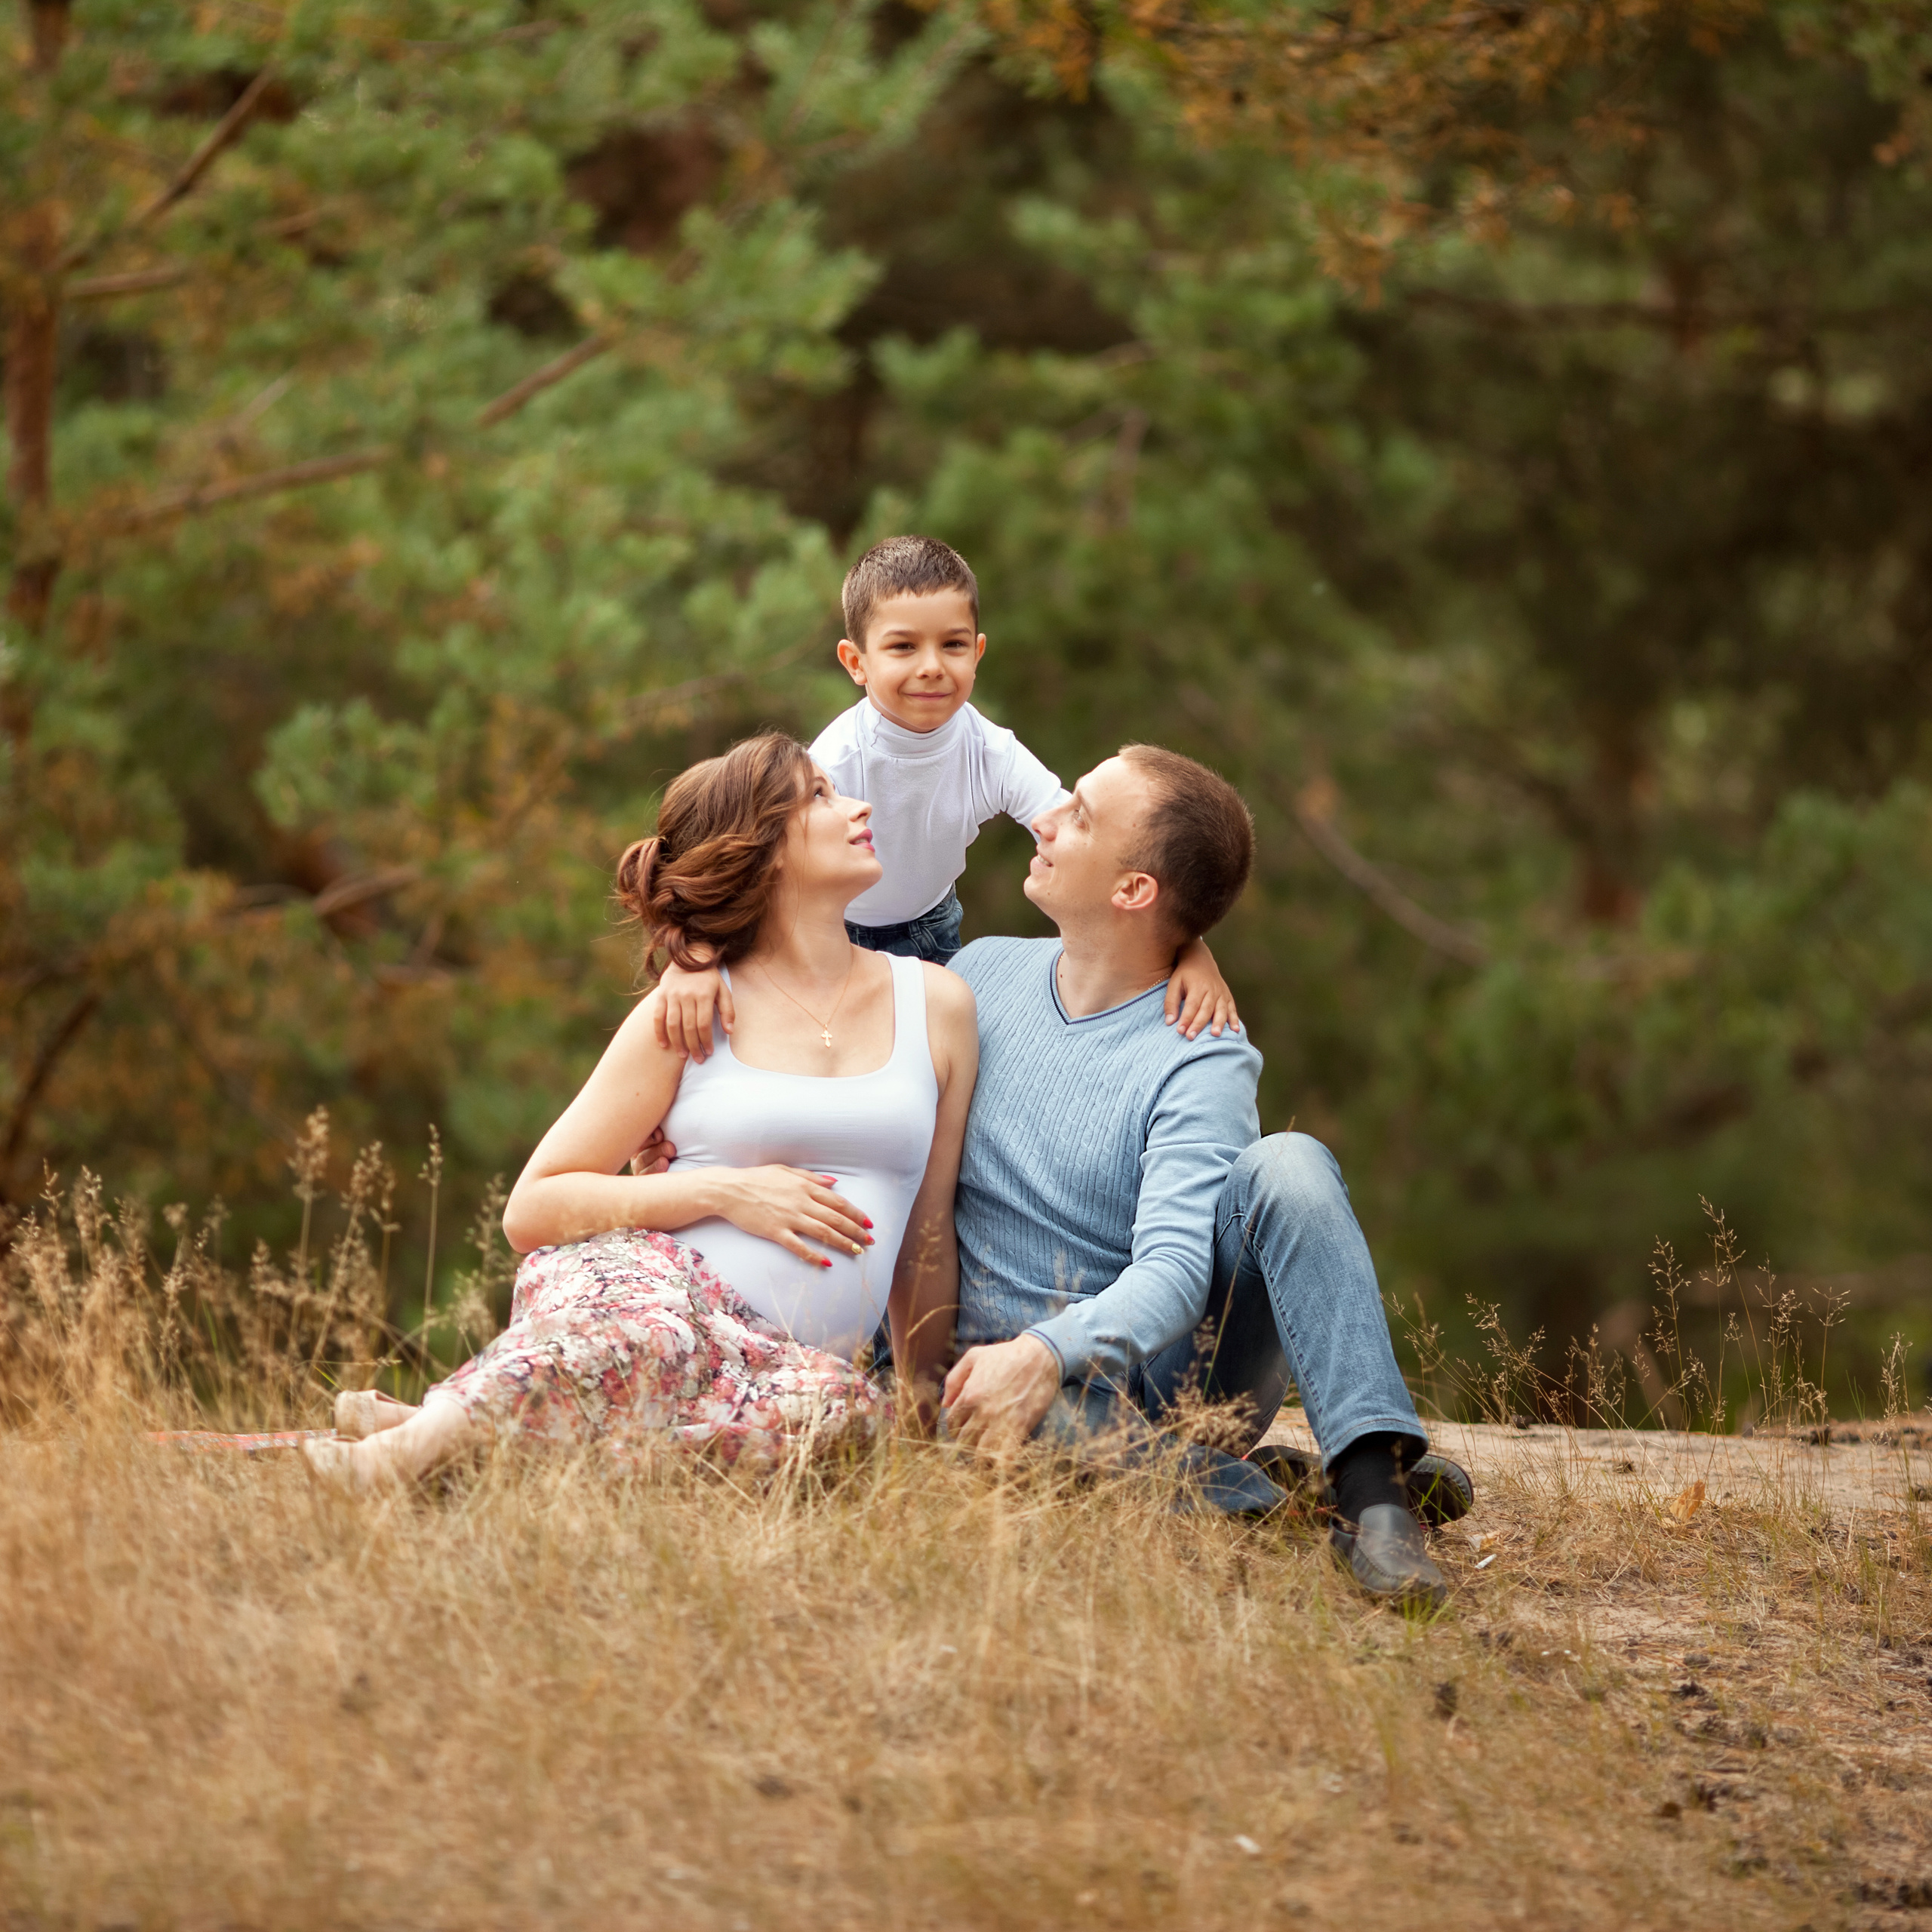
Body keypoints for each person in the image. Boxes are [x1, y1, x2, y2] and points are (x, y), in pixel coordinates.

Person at [303, 733, 977, 1492]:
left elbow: (926, 1230)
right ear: (764, 847)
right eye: (820, 795)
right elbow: (532, 1207)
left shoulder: (937, 1004)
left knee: (842, 1423)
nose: (858, 806)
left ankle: (453, 1426)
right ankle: (390, 1462)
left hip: (778, 1366)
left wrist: (924, 1421)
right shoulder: (690, 1010)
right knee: (655, 1338)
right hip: (648, 1287)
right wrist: (724, 1191)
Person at [936, 744, 1469, 1605]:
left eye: (1078, 814)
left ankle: (1375, 1497)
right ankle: (1275, 1492)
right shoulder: (976, 975)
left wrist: (1048, 1348)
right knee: (1007, 1418)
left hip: (1172, 1382)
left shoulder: (1201, 1053)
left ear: (1132, 890)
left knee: (1288, 1163)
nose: (1045, 818)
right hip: (1007, 1375)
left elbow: (1177, 1274)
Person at [649, 535, 1238, 1059]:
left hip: (932, 932)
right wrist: (693, 958)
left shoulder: (990, 752)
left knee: (935, 1069)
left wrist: (1189, 945)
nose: (932, 667)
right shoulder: (834, 763)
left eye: (952, 645)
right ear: (857, 662)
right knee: (825, 1056)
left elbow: (1095, 844)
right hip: (824, 929)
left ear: (977, 653)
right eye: (903, 648)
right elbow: (737, 855)